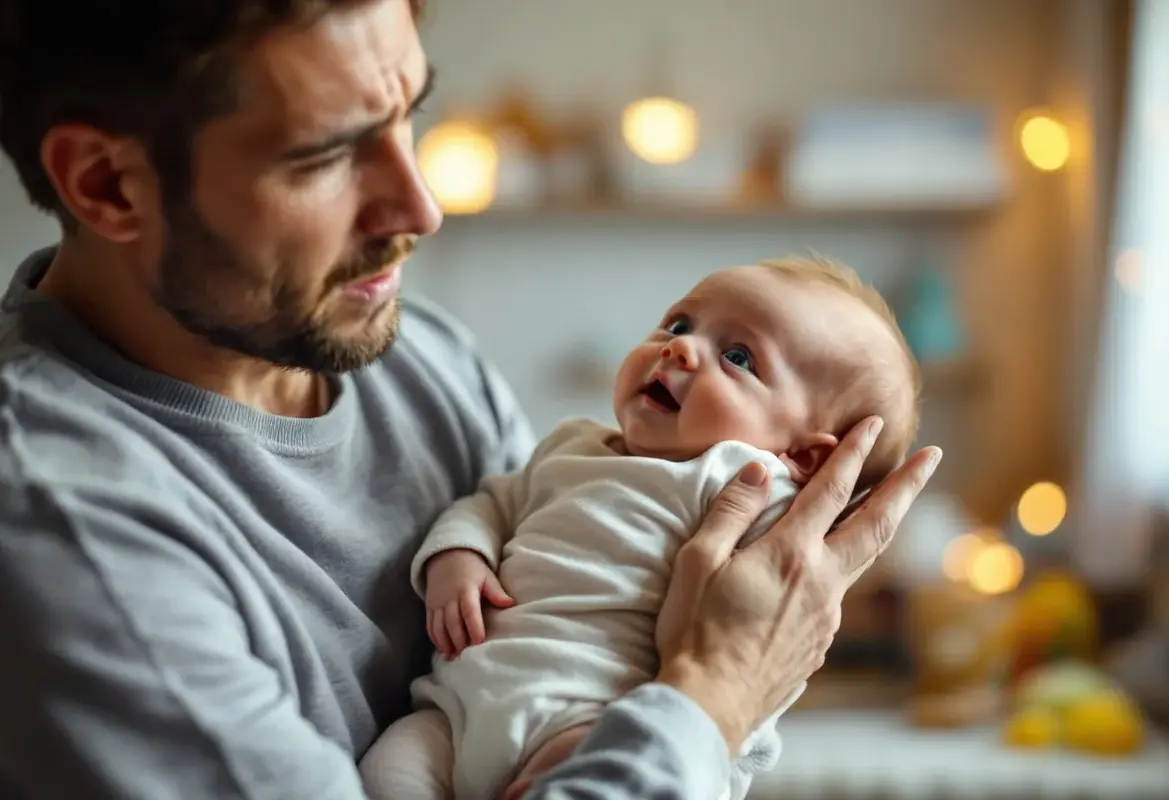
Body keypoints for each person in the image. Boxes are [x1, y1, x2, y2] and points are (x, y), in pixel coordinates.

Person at [0, 1, 942, 798]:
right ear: (108, 184)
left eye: (408, 114)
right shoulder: (66, 528)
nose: (421, 208)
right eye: (325, 156)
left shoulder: (421, 358)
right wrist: (718, 691)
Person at [358, 257, 923, 800]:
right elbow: (492, 505)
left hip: (598, 715)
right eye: (679, 324)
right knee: (385, 774)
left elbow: (780, 626)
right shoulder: (573, 443)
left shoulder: (748, 487)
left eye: (738, 357)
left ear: (802, 455)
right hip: (460, 706)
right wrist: (459, 555)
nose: (679, 348)